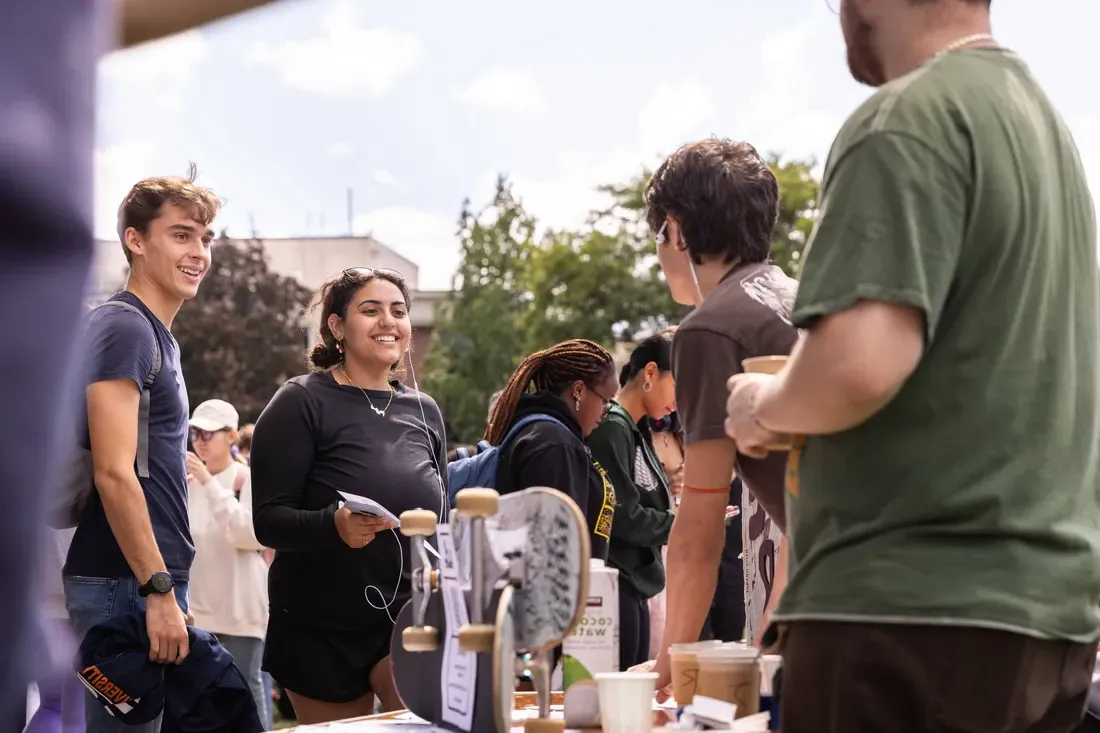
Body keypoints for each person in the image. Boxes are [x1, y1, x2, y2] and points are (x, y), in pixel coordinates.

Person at [721, 2, 1099, 732]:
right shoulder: (1044, 130)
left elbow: (859, 364)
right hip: (1044, 622)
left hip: (905, 617)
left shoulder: (905, 120)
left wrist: (764, 403)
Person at [250, 268, 448, 725]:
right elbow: (268, 520)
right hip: (320, 628)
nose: (388, 321)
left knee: (428, 724)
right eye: (370, 310)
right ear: (337, 326)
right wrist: (332, 525)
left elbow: (441, 520)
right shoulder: (300, 401)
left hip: (409, 618)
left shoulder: (424, 410)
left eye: (398, 311)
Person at [61, 169, 220, 733]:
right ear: (136, 239)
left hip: (143, 580)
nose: (199, 252)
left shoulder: (156, 335)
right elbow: (114, 472)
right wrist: (156, 590)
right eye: (181, 235)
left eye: (205, 238)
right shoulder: (125, 327)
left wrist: (168, 587)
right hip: (120, 583)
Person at [644, 138, 796, 689]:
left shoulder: (711, 327)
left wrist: (669, 665)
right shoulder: (806, 300)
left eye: (657, 239)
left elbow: (701, 520)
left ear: (676, 232)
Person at [587, 332, 677, 670]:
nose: (680, 401)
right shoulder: (613, 426)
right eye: (679, 385)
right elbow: (622, 515)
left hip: (632, 583)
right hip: (616, 583)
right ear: (650, 373)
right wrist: (680, 524)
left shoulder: (634, 428)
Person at [486, 339, 619, 561]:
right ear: (578, 390)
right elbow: (554, 551)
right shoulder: (555, 445)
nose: (606, 413)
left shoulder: (545, 435)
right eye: (606, 401)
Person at [186, 399, 270, 730]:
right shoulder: (187, 483)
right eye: (196, 432)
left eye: (209, 432)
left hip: (240, 608)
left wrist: (208, 482)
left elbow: (250, 535)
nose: (201, 440)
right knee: (199, 692)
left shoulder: (245, 478)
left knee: (249, 688)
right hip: (200, 609)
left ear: (232, 436)